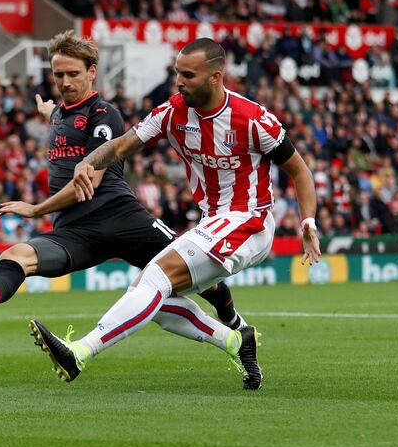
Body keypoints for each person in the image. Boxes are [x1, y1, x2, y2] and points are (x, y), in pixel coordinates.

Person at [0, 31, 249, 356]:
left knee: (199, 275)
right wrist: (51, 114)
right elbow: (62, 120)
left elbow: (85, 182)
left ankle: (235, 322)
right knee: (16, 256)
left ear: (92, 72)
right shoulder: (61, 113)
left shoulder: (104, 115)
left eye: (73, 73)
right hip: (76, 231)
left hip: (122, 219)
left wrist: (35, 210)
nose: (65, 82)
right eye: (58, 74)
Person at [29, 38, 321, 390]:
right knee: (149, 294)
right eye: (176, 74)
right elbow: (121, 145)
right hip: (212, 221)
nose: (179, 82)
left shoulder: (253, 118)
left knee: (154, 278)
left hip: (250, 220)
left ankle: (80, 352)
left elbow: (299, 170)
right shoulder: (173, 111)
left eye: (188, 75)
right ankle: (235, 339)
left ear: (216, 77)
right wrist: (87, 162)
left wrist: (307, 221)